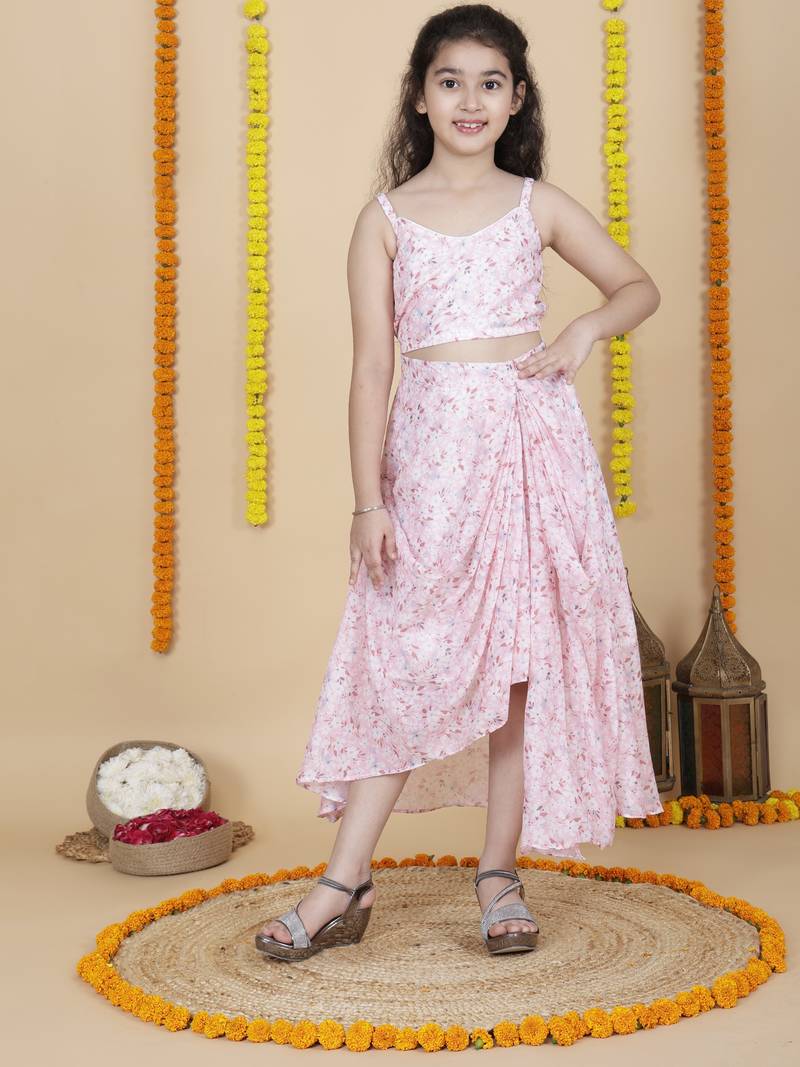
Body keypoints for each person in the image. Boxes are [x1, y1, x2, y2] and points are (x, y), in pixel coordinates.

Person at [256, 2, 663, 962]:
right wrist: (368, 500)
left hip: (530, 451)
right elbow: (371, 370)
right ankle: (345, 877)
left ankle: (499, 873)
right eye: (451, 81)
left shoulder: (537, 203)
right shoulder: (386, 219)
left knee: (519, 671)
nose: (470, 100)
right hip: (431, 459)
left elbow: (637, 287)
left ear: (516, 99)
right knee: (402, 660)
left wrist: (581, 331)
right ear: (420, 96)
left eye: (490, 83)